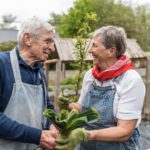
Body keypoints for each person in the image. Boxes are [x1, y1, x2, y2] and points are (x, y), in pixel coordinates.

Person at [56, 26, 146, 150]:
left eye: (95, 46)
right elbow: (84, 109)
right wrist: (68, 105)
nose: (90, 50)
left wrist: (85, 134)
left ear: (111, 51)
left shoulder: (130, 79)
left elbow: (125, 130)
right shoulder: (90, 76)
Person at [0, 17, 58, 150]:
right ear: (28, 39)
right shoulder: (2, 65)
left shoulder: (40, 74)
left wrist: (53, 125)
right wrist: (37, 136)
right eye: (48, 41)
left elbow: (47, 107)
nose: (52, 48)